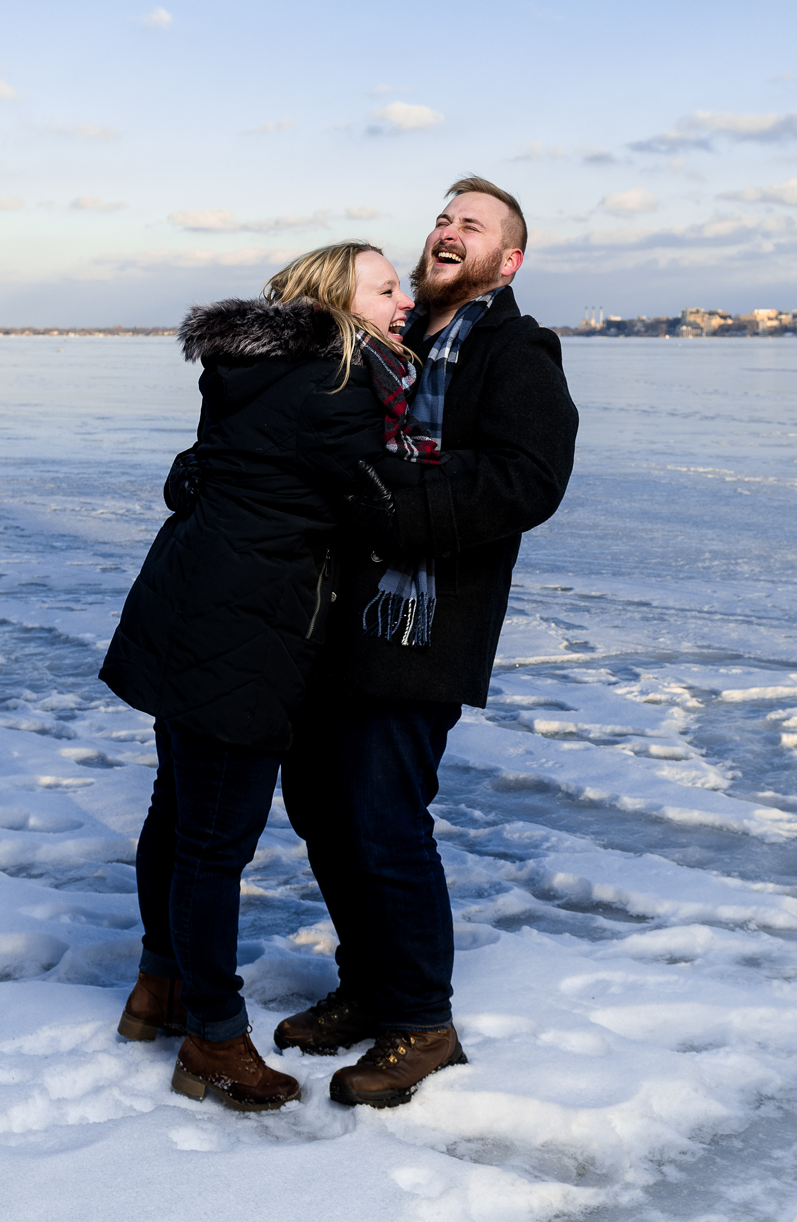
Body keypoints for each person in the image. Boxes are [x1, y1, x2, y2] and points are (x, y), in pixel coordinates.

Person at [275, 176, 580, 1109]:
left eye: (472, 225)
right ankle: (370, 986)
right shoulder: (392, 342)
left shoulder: (516, 351)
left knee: (381, 817)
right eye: (442, 217)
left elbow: (530, 478)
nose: (448, 232)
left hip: (422, 621)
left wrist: (392, 507)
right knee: (321, 806)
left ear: (507, 261)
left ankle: (423, 1021)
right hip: (340, 613)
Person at [98, 240, 415, 1113]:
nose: (404, 302)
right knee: (214, 842)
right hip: (244, 633)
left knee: (178, 812)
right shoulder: (342, 387)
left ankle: (157, 991)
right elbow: (386, 500)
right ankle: (212, 1039)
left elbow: (213, 471)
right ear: (336, 303)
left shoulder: (260, 371)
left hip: (187, 608)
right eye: (387, 290)